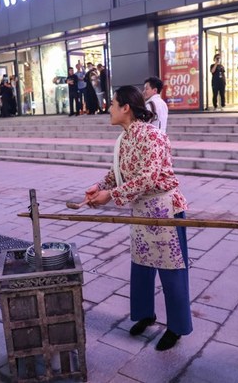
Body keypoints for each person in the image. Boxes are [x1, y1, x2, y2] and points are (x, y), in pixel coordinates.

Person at [83, 86, 192, 351]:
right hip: (141, 209)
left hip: (165, 208)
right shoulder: (124, 138)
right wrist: (99, 186)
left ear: (126, 108)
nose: (108, 109)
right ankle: (146, 314)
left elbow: (149, 177)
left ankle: (176, 327)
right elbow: (116, 172)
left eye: (112, 104)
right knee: (141, 265)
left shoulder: (152, 135)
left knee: (172, 270)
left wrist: (111, 195)